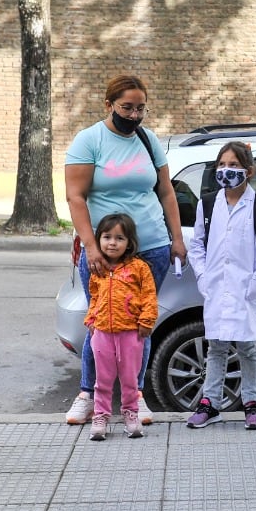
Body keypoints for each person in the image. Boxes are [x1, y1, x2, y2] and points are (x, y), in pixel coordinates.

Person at [64, 75, 186, 426]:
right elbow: (76, 197)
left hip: (151, 247)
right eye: (127, 108)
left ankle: (136, 396)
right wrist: (91, 246)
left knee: (141, 324)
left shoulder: (148, 140)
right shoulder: (89, 140)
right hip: (105, 252)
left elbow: (166, 192)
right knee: (99, 324)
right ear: (109, 105)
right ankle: (88, 394)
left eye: (140, 108)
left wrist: (176, 238)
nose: (134, 116)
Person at [185, 142, 256, 429]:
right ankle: (210, 402)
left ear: (249, 171)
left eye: (233, 165)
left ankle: (252, 402)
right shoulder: (207, 204)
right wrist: (203, 276)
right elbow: (197, 247)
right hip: (216, 287)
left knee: (248, 347)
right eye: (222, 165)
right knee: (216, 346)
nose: (226, 171)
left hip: (246, 288)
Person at [83, 213, 158, 440]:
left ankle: (130, 414)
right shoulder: (99, 269)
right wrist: (92, 320)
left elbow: (149, 297)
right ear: (99, 240)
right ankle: (101, 416)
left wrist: (146, 321)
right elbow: (94, 297)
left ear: (129, 243)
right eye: (107, 237)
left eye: (119, 238)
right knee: (103, 379)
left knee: (129, 378)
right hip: (102, 333)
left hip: (131, 333)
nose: (112, 243)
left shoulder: (139, 268)